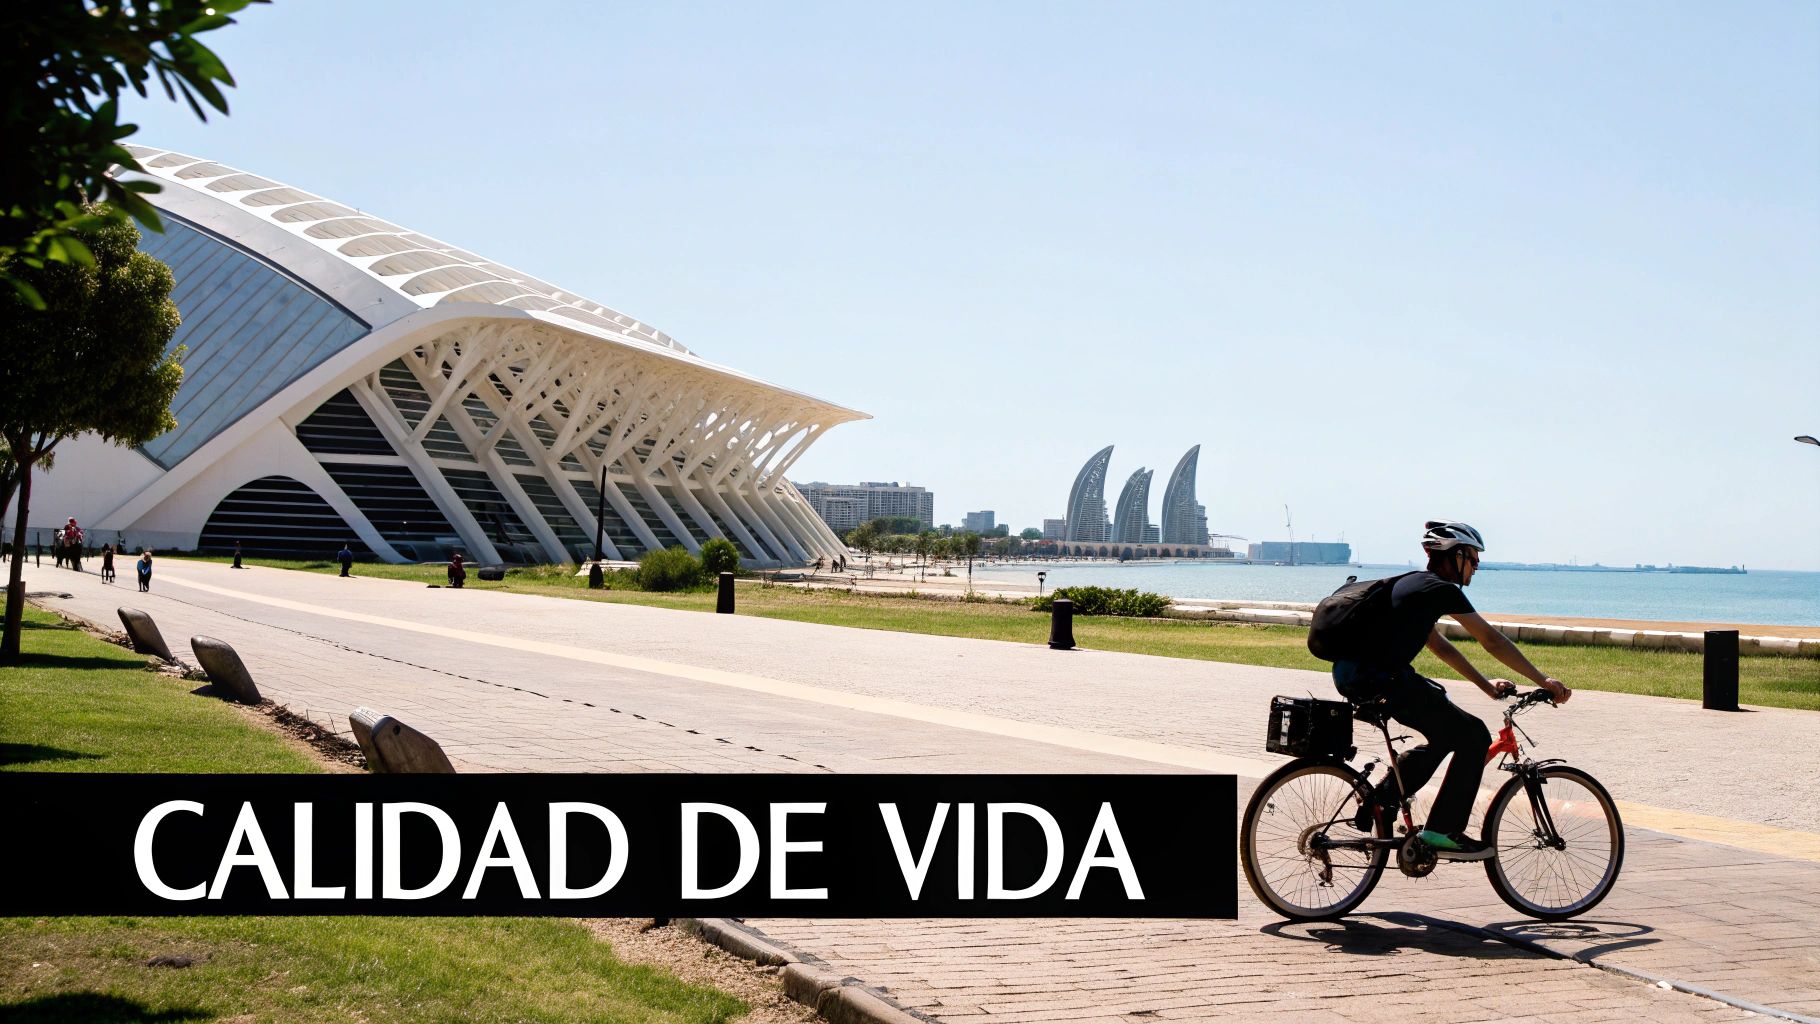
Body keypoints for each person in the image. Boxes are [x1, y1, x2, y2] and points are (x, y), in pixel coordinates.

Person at [1330, 521, 1571, 861]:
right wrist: (1543, 679)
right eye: (1473, 559)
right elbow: (1490, 639)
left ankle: (1380, 801)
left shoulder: (1414, 585)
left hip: (1354, 675)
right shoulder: (1440, 590)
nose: (1476, 567)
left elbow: (1440, 646)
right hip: (1381, 679)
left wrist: (1486, 686)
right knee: (1473, 734)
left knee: (1447, 733)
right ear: (1456, 556)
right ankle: (1443, 830)